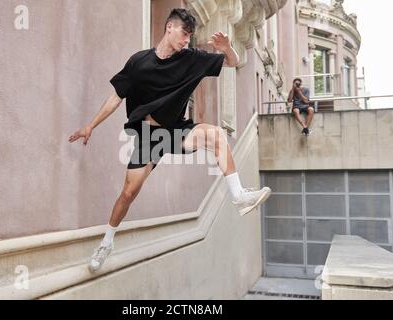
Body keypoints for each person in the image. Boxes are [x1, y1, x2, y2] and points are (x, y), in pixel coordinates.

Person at [68, 8, 271, 272]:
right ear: (169, 28)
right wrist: (90, 126)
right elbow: (116, 97)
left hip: (177, 131)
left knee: (217, 135)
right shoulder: (139, 62)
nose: (187, 40)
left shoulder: (192, 59)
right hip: (149, 138)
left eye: (190, 36)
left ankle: (239, 195)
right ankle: (107, 242)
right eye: (184, 34)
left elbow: (232, 62)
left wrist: (228, 47)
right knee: (128, 193)